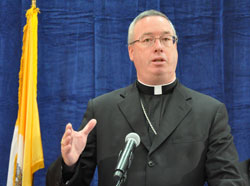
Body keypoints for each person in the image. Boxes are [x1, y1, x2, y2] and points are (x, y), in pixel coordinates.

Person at [46, 10, 245, 186]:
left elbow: (228, 178)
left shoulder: (209, 112)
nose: (158, 47)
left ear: (176, 47)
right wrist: (70, 164)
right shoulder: (102, 110)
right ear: (131, 51)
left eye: (166, 39)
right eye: (148, 40)